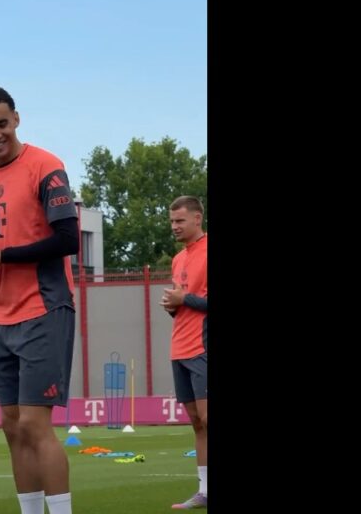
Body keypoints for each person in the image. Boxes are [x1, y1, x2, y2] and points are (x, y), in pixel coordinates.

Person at [0, 85, 78, 514]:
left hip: (44, 308)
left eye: (1, 124)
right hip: (1, 315)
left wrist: (1, 255)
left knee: (33, 422)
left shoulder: (46, 165)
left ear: (17, 119)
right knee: (11, 426)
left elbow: (68, 240)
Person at [160, 195, 208, 509]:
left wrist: (184, 300)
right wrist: (173, 307)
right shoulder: (178, 259)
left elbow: (193, 300)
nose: (174, 226)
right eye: (172, 221)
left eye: (180, 220)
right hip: (180, 347)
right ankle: (205, 490)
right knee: (197, 422)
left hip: (203, 346)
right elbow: (184, 303)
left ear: (197, 219)